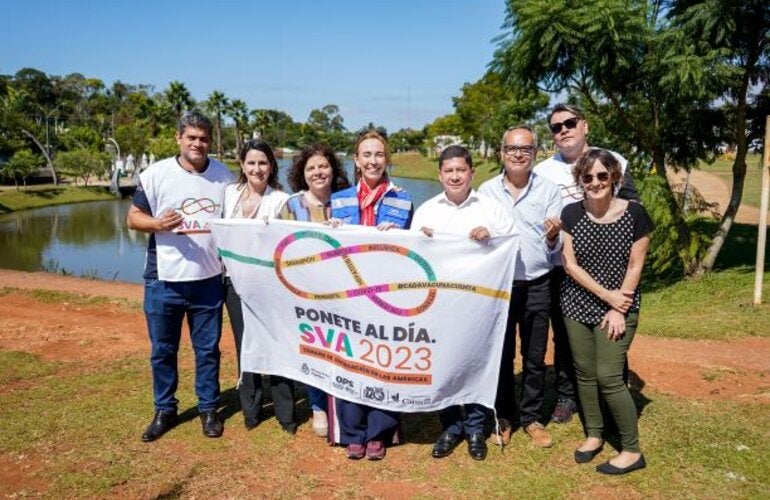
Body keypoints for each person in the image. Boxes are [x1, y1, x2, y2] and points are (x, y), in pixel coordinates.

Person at [127, 110, 234, 442]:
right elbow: (133, 218)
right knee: (163, 350)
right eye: (191, 137)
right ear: (179, 139)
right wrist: (157, 224)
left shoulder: (224, 176)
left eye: (203, 139)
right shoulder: (155, 174)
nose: (197, 144)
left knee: (208, 350)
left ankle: (208, 409)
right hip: (163, 278)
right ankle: (165, 410)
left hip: (208, 279)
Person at [533, 103, 640, 424]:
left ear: (585, 126)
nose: (563, 130)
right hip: (561, 266)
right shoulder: (543, 171)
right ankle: (568, 395)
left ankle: (613, 391)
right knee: (566, 336)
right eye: (556, 127)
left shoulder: (613, 160)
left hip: (607, 267)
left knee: (611, 330)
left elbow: (632, 207)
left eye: (570, 123)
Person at [413, 145, 513, 461]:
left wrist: (491, 235)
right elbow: (411, 257)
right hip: (438, 304)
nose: (455, 176)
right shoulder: (426, 211)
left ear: (471, 172)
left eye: (461, 170)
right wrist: (420, 240)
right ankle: (450, 426)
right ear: (439, 174)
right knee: (442, 363)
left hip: (479, 305)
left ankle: (475, 428)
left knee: (477, 363)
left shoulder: (492, 209)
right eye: (449, 171)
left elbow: (511, 246)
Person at [559, 148, 652, 475]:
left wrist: (617, 305)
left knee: (609, 377)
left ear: (614, 177)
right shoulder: (571, 213)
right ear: (580, 181)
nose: (595, 182)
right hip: (577, 304)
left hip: (620, 306)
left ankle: (631, 450)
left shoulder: (635, 214)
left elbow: (635, 265)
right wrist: (604, 295)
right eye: (588, 177)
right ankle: (594, 434)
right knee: (584, 373)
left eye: (602, 175)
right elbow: (570, 264)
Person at [330, 131, 413, 460]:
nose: (373, 161)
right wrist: (331, 230)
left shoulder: (403, 199)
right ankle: (353, 431)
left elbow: (417, 247)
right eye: (366, 154)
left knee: (383, 359)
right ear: (356, 160)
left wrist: (404, 237)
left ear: (386, 159)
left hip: (387, 294)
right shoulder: (339, 199)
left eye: (379, 154)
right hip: (349, 292)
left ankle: (379, 430)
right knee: (349, 357)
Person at [478, 125, 562, 449]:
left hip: (538, 283)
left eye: (525, 149)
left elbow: (555, 248)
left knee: (535, 356)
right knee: (501, 355)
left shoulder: (549, 191)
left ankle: (532, 418)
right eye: (512, 148)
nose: (518, 154)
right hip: (498, 287)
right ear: (502, 152)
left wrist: (553, 236)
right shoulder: (486, 191)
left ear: (535, 153)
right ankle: (503, 416)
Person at [276, 143, 350, 437]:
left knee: (344, 349)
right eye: (311, 168)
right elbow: (277, 246)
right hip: (306, 292)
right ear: (302, 173)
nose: (318, 172)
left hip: (346, 292)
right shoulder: (291, 206)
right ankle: (318, 404)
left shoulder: (348, 201)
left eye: (323, 166)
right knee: (315, 349)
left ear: (333, 169)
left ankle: (344, 402)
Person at [222, 140, 294, 433]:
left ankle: (285, 413)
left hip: (270, 286)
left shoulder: (281, 200)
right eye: (251, 163)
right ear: (242, 165)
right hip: (234, 283)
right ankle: (250, 409)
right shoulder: (229, 194)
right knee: (245, 343)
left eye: (263, 163)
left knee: (277, 344)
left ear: (271, 166)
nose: (257, 169)